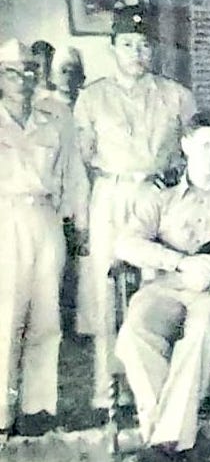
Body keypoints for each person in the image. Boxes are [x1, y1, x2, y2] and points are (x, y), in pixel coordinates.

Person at [113, 111, 210, 461]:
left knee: (200, 332)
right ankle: (172, 440)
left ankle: (164, 444)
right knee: (134, 335)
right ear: (186, 145)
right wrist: (181, 262)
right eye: (205, 146)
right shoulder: (161, 193)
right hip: (167, 285)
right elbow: (126, 243)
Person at [75, 6, 196, 416]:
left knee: (156, 290)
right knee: (106, 292)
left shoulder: (176, 95)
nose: (137, 53)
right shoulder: (92, 97)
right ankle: (107, 390)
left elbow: (189, 152)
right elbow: (83, 157)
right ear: (113, 48)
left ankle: (160, 391)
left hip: (158, 198)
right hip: (111, 194)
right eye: (128, 44)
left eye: (145, 45)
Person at [0, 39, 87, 437]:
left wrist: (79, 225)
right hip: (4, 217)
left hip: (45, 216)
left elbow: (73, 174)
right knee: (5, 317)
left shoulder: (56, 115)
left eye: (29, 70)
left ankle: (38, 407)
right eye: (11, 71)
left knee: (46, 317)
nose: (22, 79)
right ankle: (2, 411)